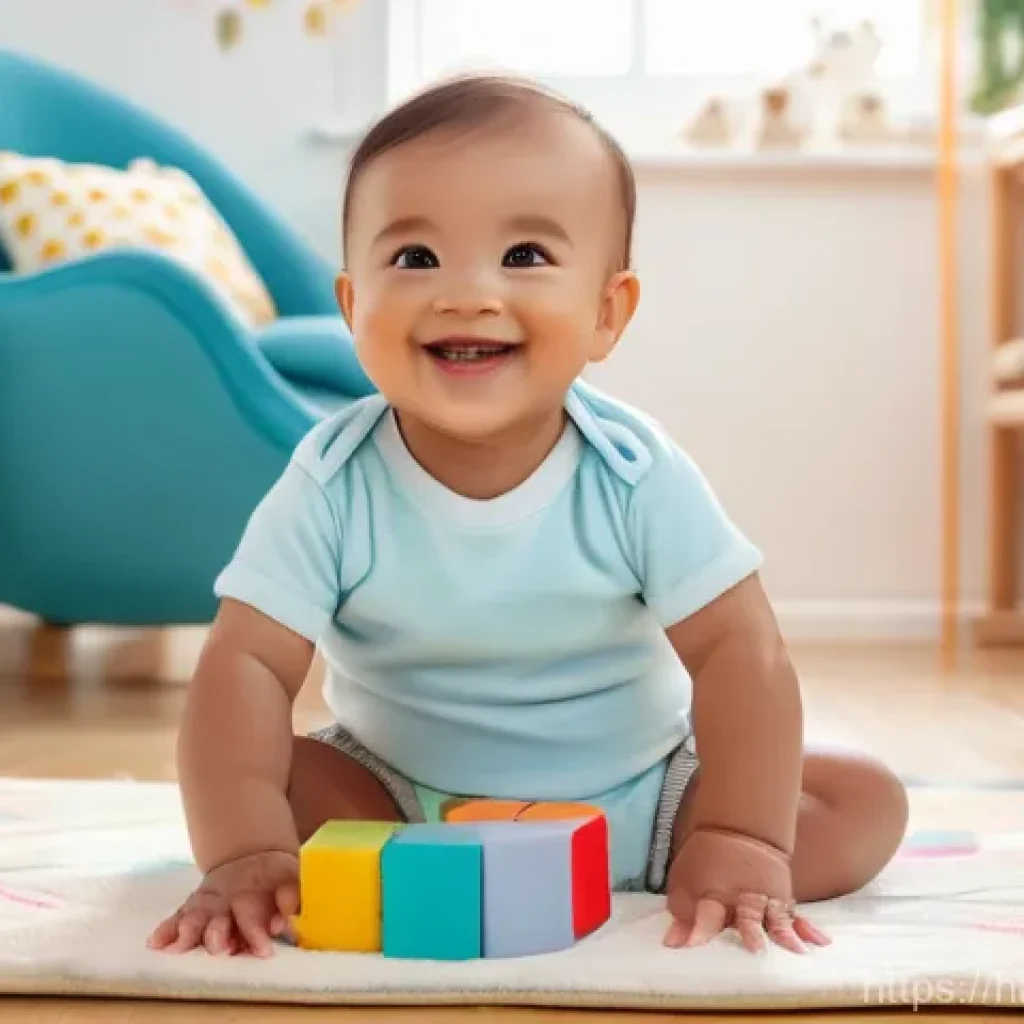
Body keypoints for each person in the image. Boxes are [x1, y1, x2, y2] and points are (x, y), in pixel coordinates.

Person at [148, 74, 908, 960]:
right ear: (353, 308)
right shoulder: (330, 481)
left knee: (862, 800)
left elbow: (741, 651)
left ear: (606, 313)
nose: (467, 294)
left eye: (523, 255)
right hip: (398, 799)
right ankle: (364, 868)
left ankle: (689, 861)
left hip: (647, 802)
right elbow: (245, 662)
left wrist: (741, 834)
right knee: (256, 774)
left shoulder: (634, 471)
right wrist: (245, 850)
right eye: (416, 258)